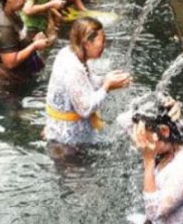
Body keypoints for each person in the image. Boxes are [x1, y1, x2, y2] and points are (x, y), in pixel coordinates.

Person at [44, 17, 131, 145]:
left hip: (63, 130)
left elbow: (85, 82)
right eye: (102, 41)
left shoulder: (69, 53)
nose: (104, 45)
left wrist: (106, 80)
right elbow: (85, 108)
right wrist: (106, 86)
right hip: (66, 141)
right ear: (86, 43)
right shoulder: (73, 68)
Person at [0, 0, 49, 83]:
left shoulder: (8, 9)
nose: (25, 1)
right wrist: (34, 46)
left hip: (19, 73)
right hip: (8, 82)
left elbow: (18, 37)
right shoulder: (4, 26)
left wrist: (33, 40)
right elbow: (10, 62)